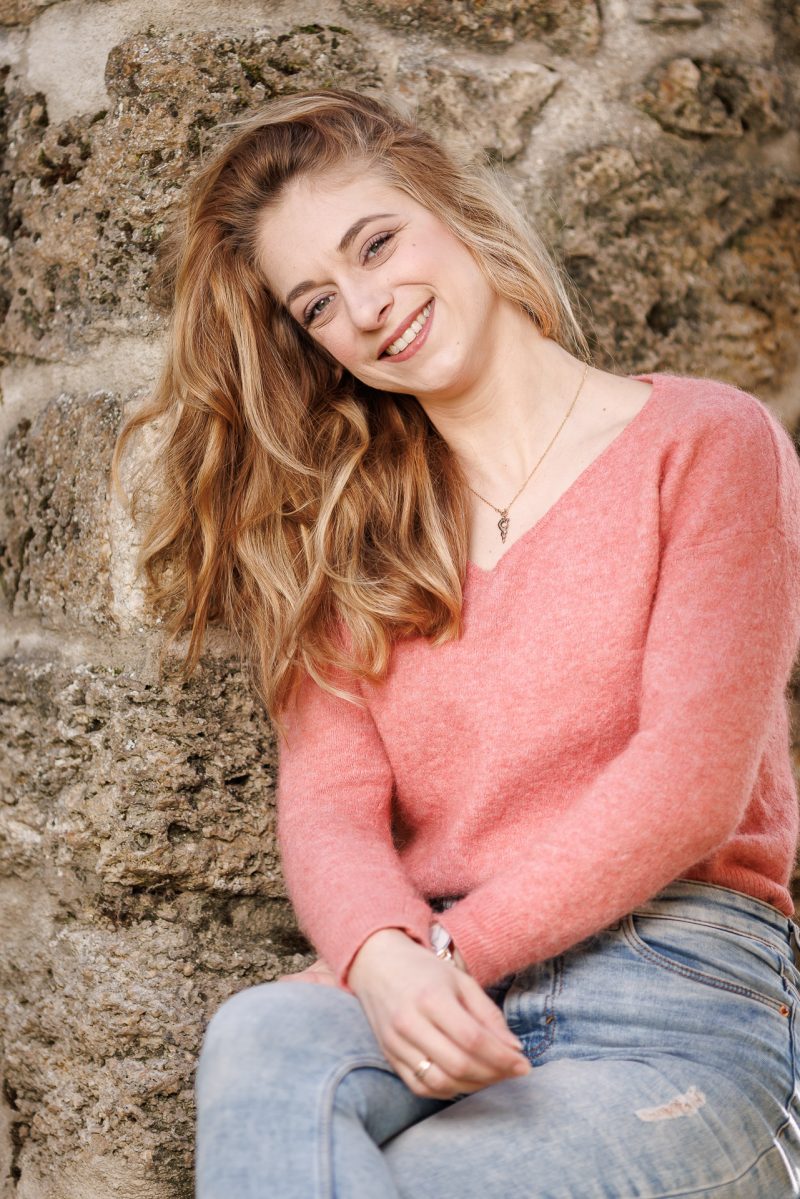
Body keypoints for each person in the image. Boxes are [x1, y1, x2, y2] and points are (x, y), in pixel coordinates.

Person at [112, 88, 800, 1197]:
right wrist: (379, 954)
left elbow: (690, 781)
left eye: (376, 244)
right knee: (257, 1032)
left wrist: (434, 958)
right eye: (318, 303)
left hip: (670, 993)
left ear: (452, 207)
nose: (366, 307)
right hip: (432, 989)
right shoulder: (352, 531)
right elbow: (329, 810)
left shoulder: (705, 442)